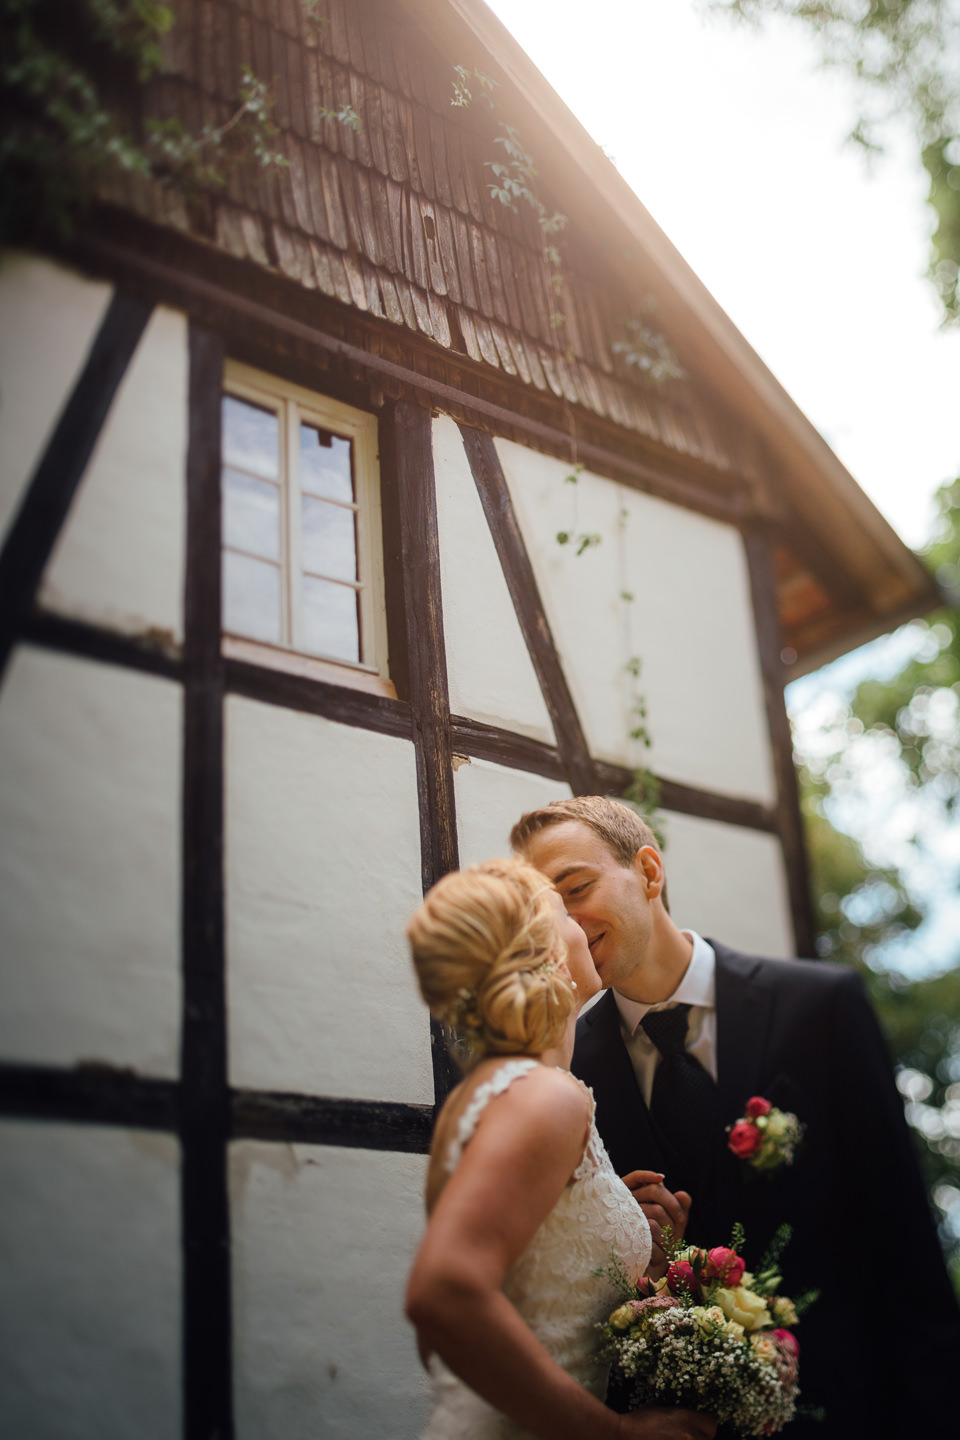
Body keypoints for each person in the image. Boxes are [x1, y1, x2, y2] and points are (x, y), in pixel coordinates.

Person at [510, 795, 960, 1440]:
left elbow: (904, 1242)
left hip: (856, 1408)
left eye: (576, 890)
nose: (569, 927)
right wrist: (644, 1255)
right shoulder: (570, 1076)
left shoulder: (820, 1007)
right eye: (545, 912)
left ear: (648, 871)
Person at [405, 857, 716, 1440]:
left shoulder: (491, 1096)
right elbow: (443, 1294)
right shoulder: (545, 1097)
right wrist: (615, 1433)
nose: (581, 920)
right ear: (547, 950)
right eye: (561, 910)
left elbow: (446, 1342)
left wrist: (624, 1252)